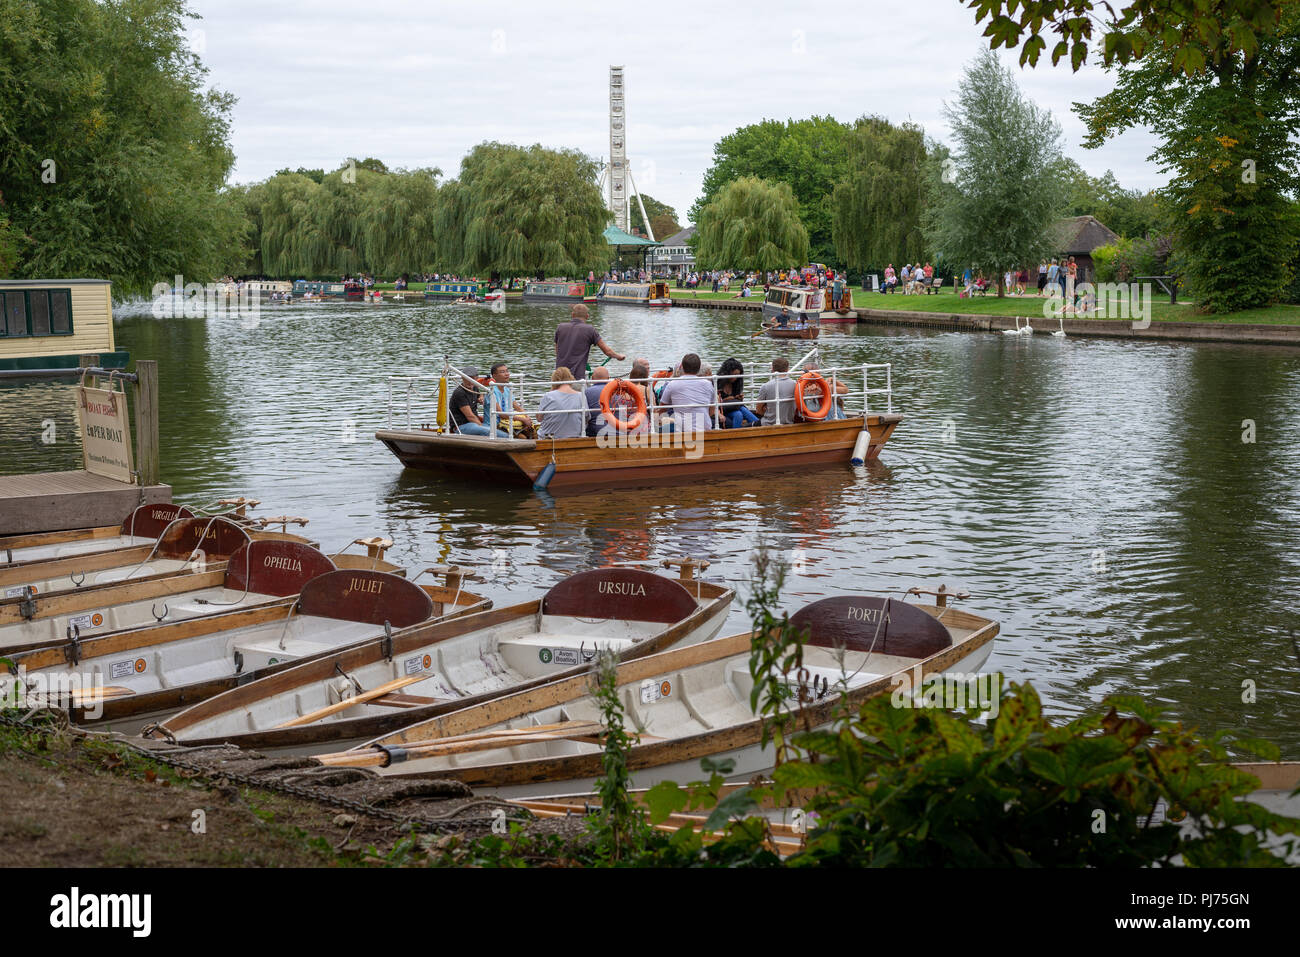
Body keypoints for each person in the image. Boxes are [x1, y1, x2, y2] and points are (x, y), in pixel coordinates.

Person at [555, 304, 624, 380]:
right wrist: (619, 356)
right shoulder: (590, 330)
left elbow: (557, 351)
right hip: (577, 378)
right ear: (587, 316)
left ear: (572, 315)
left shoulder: (560, 327)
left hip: (559, 378)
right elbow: (607, 351)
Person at [658, 353, 716, 433]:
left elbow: (662, 409)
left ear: (682, 367)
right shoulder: (708, 384)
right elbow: (712, 410)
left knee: (661, 427)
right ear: (699, 368)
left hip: (682, 430)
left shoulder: (672, 384)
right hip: (704, 428)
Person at [484, 361, 535, 437]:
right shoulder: (491, 392)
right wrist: (523, 420)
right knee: (522, 437)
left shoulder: (507, 390)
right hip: (495, 425)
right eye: (502, 372)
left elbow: (517, 407)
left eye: (507, 371)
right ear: (494, 376)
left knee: (533, 432)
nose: (507, 374)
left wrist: (527, 417)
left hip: (507, 423)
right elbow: (502, 415)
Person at [537, 368, 587, 439]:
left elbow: (539, 418)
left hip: (550, 438)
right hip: (575, 437)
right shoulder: (581, 396)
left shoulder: (549, 396)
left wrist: (552, 389)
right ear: (570, 378)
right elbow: (586, 418)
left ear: (555, 380)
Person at [717, 357, 759, 428]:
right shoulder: (718, 382)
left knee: (738, 414)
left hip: (733, 408)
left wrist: (738, 398)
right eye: (734, 374)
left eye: (738, 375)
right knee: (741, 409)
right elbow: (714, 402)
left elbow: (735, 403)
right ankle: (759, 424)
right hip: (722, 409)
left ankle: (735, 435)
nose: (736, 378)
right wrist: (727, 399)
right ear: (728, 372)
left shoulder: (735, 383)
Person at [450, 366, 491, 436]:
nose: (470, 382)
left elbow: (479, 395)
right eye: (467, 379)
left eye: (472, 379)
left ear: (476, 379)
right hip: (461, 426)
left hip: (473, 423)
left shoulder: (475, 388)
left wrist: (481, 397)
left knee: (496, 427)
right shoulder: (460, 392)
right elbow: (470, 416)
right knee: (489, 431)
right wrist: (482, 427)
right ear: (462, 378)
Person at [754, 357, 797, 426]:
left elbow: (758, 411)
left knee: (747, 425)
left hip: (767, 423)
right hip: (789, 422)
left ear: (772, 369)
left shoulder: (765, 386)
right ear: (787, 369)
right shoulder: (796, 384)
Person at [583, 366, 612, 436]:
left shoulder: (586, 392)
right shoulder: (617, 391)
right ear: (608, 378)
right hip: (617, 432)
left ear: (592, 378)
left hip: (595, 433)